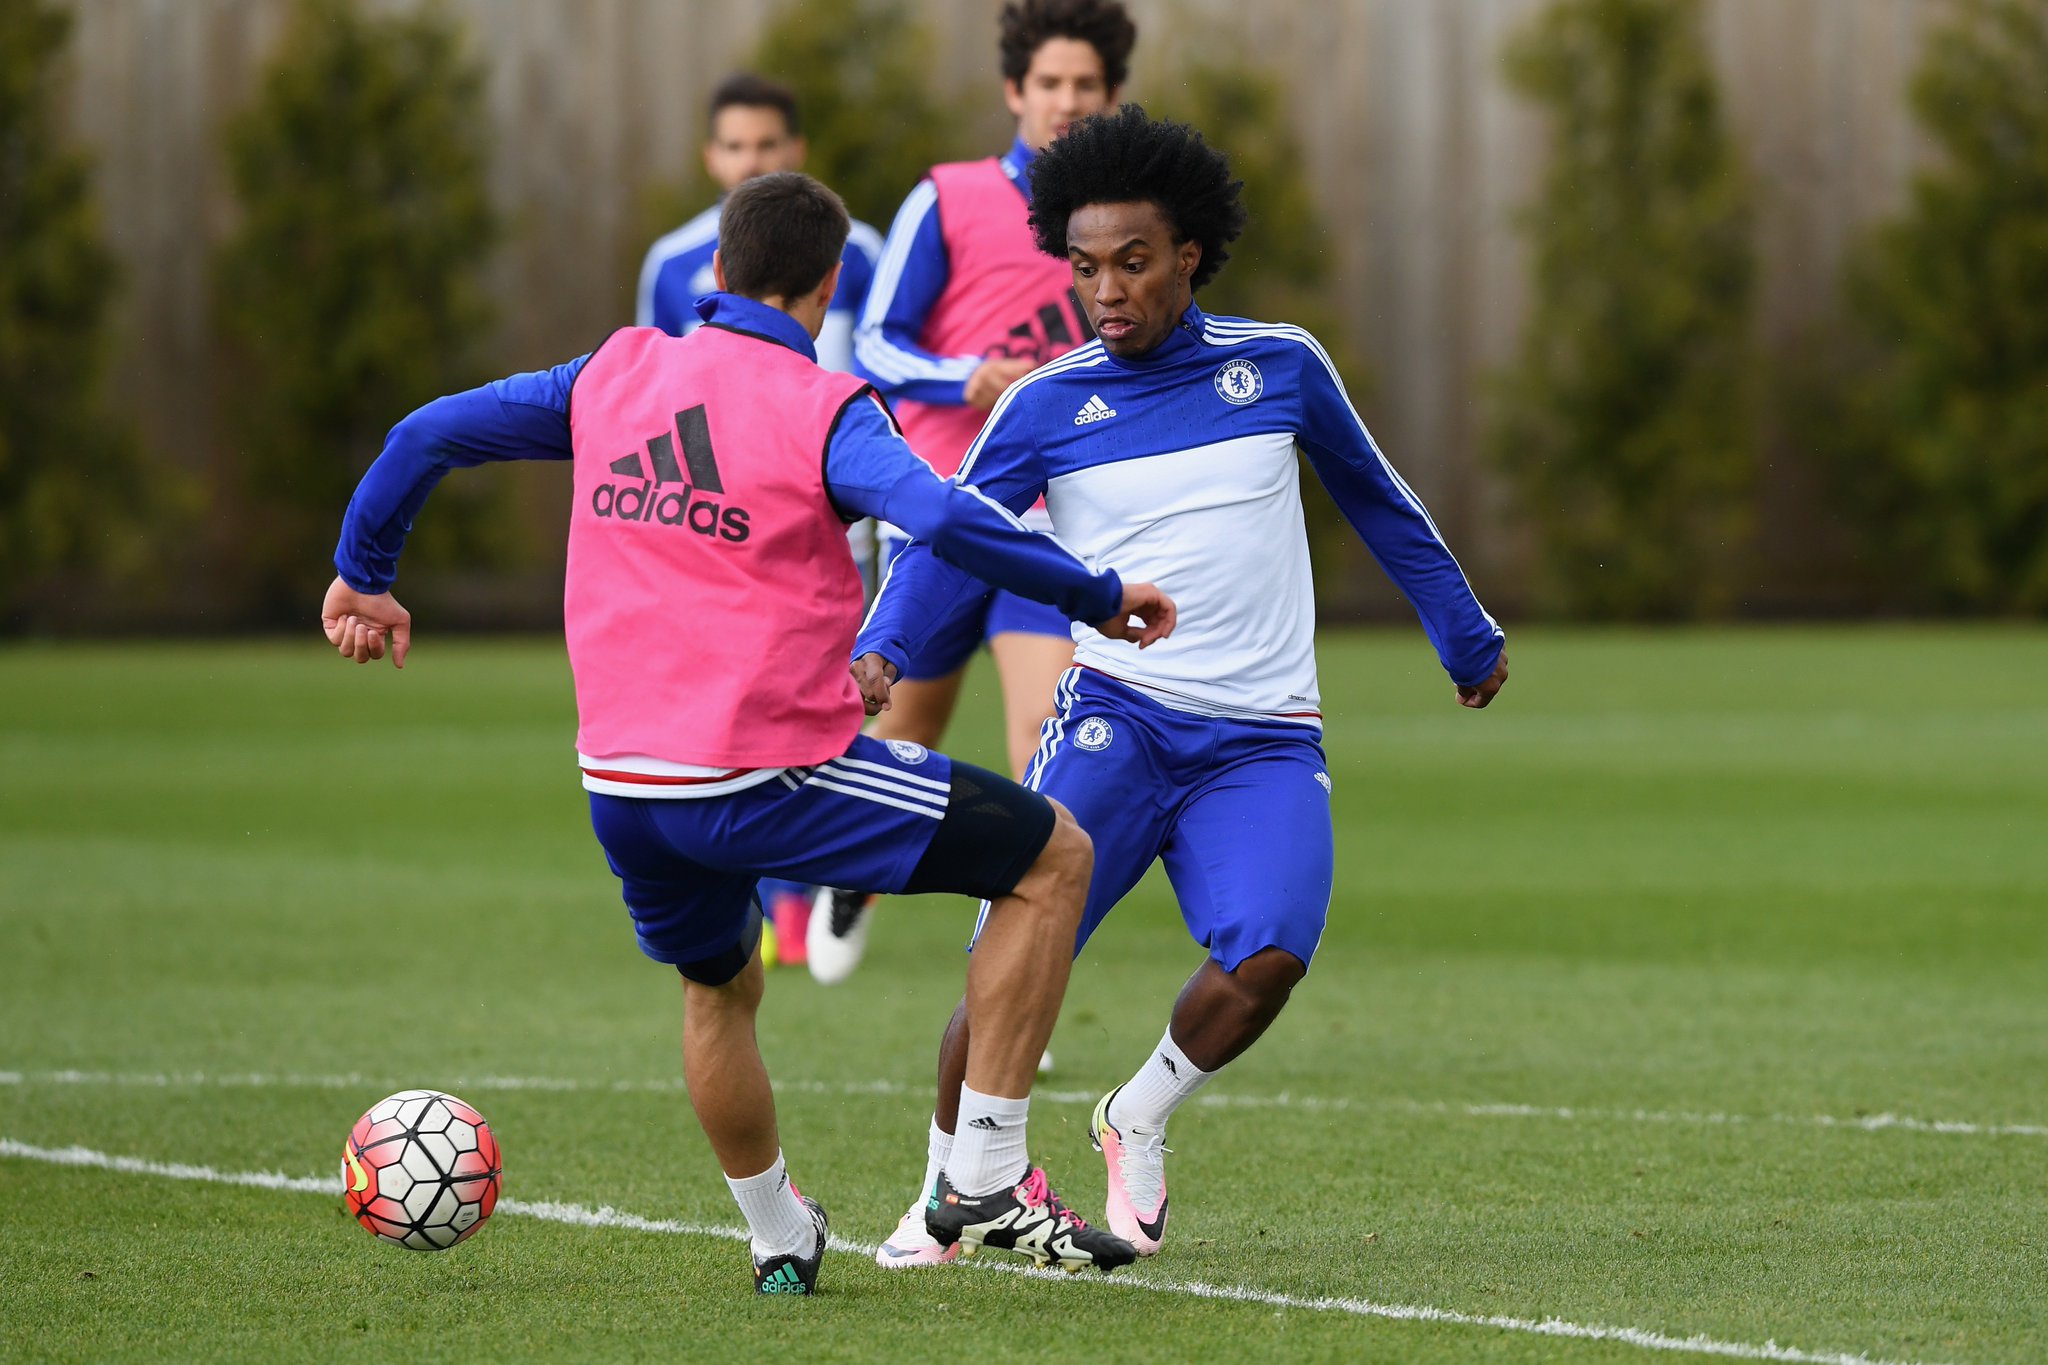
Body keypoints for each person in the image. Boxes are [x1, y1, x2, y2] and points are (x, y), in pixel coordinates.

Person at [320, 172, 1173, 1291]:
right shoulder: (825, 408)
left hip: (623, 790)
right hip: (767, 779)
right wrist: (1093, 591)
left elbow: (425, 432)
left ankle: (778, 1236)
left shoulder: (612, 372)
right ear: (828, 285)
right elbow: (940, 514)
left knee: (717, 990)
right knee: (1053, 854)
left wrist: (363, 573)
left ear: (717, 270)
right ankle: (986, 1174)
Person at [851, 107, 1508, 1268]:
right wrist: (885, 648)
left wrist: (1463, 635)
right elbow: (952, 537)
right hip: (1115, 718)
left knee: (1269, 955)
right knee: (1006, 967)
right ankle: (940, 1192)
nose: (1105, 291)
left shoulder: (1281, 365)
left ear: (1188, 256)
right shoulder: (1041, 404)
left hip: (1263, 739)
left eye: (1132, 262)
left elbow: (1375, 497)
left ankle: (1135, 1113)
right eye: (1084, 267)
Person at [810, 0, 1138, 984]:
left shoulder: (1135, 222)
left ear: (1114, 95)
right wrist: (965, 378)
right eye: (1050, 83)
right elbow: (873, 342)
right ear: (1014, 91)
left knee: (1044, 743)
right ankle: (850, 875)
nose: (1067, 101)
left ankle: (1017, 979)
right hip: (944, 514)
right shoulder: (947, 198)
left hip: (1054, 528)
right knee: (900, 729)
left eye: (1086, 84)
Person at [636, 72, 889, 964]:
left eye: (767, 145)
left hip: (837, 515)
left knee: (823, 703)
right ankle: (762, 895)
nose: (752, 161)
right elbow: (655, 390)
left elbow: (881, 367)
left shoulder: (860, 251)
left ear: (796, 151)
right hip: (719, 527)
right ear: (712, 156)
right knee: (733, 702)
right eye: (736, 147)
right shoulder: (674, 262)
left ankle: (804, 889)